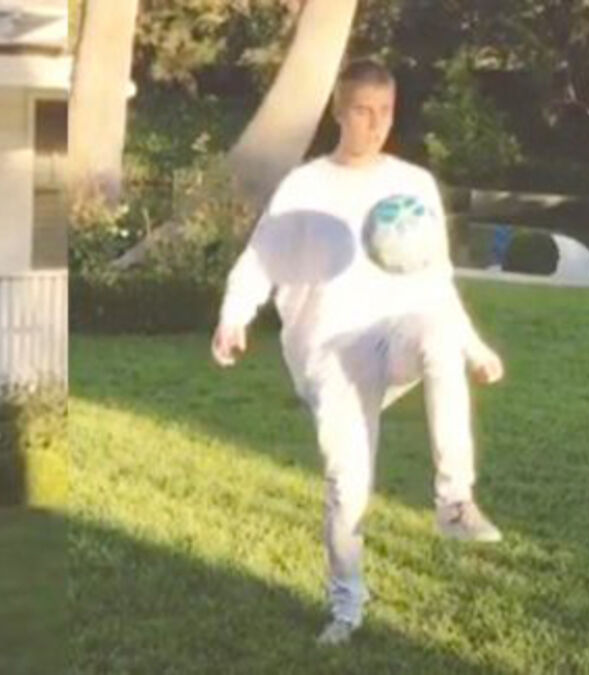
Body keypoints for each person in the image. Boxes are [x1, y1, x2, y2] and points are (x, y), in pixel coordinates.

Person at [211, 58, 506, 646]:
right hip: (330, 351)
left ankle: (455, 499)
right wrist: (233, 315)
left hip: (395, 333)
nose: (374, 125)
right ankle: (346, 607)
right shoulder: (306, 186)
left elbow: (436, 280)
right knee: (348, 484)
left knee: (437, 335)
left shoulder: (412, 184)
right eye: (363, 111)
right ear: (338, 112)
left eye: (385, 112)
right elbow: (261, 258)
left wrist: (473, 347)